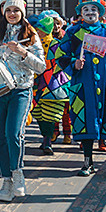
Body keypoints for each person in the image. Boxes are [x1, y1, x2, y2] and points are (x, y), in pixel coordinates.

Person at [52, 0, 106, 175]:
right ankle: (88, 161)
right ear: (81, 12)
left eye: (93, 9)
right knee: (85, 120)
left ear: (100, 12)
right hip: (83, 85)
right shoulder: (73, 31)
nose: (90, 12)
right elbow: (60, 55)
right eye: (86, 9)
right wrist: (73, 63)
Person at [0, 0, 46, 202]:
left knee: (13, 133)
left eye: (16, 10)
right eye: (8, 10)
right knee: (0, 136)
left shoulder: (30, 34)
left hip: (21, 89)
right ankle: (6, 179)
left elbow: (41, 67)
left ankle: (17, 172)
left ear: (22, 12)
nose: (12, 14)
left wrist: (23, 53)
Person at [28, 11, 69, 156]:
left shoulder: (56, 44)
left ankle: (47, 140)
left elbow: (62, 62)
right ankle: (46, 137)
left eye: (41, 30)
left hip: (53, 85)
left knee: (51, 114)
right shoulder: (33, 44)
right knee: (38, 113)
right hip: (37, 83)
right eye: (37, 30)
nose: (38, 32)